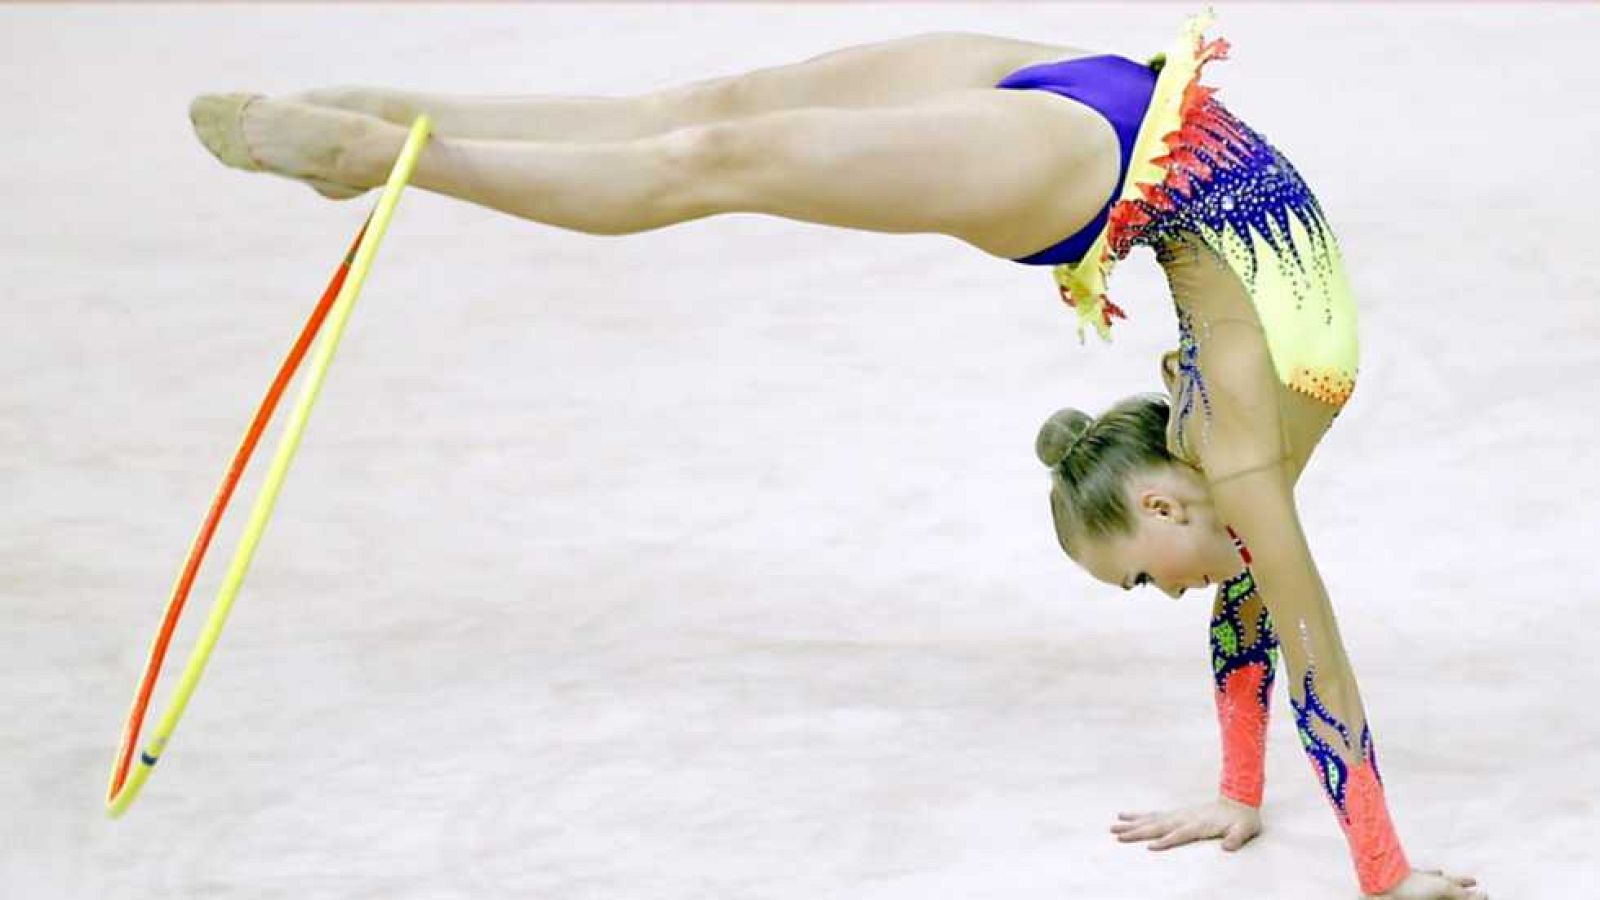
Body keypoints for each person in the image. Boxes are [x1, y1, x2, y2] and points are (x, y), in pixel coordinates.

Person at [188, 11, 1486, 900]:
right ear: (1158, 502)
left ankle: (397, 113)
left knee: (710, 109)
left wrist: (1240, 794)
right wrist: (1383, 870)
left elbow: (1248, 623)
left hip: (1120, 92)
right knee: (713, 159)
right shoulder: (1242, 464)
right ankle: (389, 157)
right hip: (1082, 170)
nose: (1169, 592)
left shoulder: (1233, 463)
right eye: (1142, 577)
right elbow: (1312, 653)